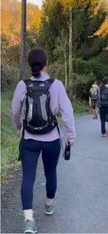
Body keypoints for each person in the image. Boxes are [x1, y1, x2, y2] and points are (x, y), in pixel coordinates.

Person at [12, 48, 76, 233]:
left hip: (29, 139)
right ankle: (49, 204)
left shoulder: (22, 85)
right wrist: (71, 137)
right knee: (50, 173)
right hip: (51, 139)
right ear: (46, 63)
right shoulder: (56, 85)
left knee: (28, 178)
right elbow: (67, 113)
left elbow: (15, 111)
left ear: (30, 64)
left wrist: (19, 126)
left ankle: (29, 221)